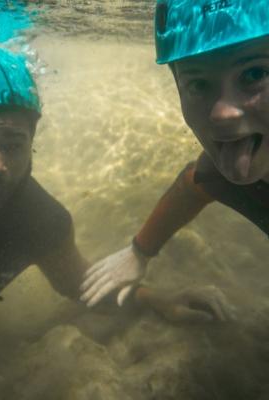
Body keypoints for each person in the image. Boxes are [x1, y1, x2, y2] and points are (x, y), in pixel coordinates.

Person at [0, 45, 230, 399]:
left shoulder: (41, 221)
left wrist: (157, 301)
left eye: (13, 145)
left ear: (33, 139)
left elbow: (79, 284)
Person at [80, 0, 269, 314]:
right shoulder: (225, 168)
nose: (222, 113)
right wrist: (139, 252)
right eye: (197, 84)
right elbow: (192, 186)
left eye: (255, 73)